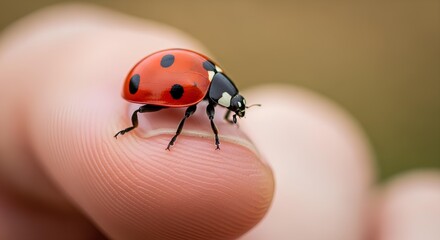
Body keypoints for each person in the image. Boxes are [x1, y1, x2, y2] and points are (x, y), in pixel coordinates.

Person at [0, 4, 439, 240]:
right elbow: (199, 113)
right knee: (187, 127)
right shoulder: (198, 92)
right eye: (232, 105)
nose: (232, 110)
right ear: (223, 92)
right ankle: (134, 129)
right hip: (96, 116)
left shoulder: (205, 86)